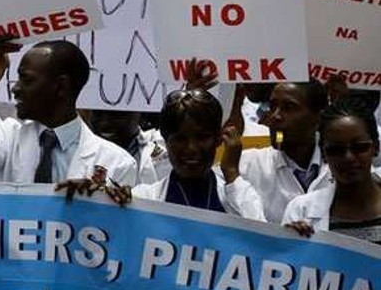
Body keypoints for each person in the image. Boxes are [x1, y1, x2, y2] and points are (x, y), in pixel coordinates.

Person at [0, 17, 137, 185]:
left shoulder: (117, 163)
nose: (15, 88)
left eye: (26, 80)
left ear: (61, 86)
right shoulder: (8, 137)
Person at [76, 90, 265, 220]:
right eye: (180, 139)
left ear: (218, 139)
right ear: (165, 141)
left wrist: (232, 173)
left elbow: (263, 245)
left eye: (201, 138)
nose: (191, 148)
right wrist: (88, 199)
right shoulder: (141, 199)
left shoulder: (238, 196)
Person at [283, 100, 381, 244]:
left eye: (359, 147)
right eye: (336, 150)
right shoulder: (301, 211)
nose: (348, 158)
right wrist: (292, 245)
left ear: (376, 148)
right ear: (324, 154)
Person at [238, 81, 331, 223]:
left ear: (317, 117)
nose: (275, 116)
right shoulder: (246, 164)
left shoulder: (340, 166)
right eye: (272, 106)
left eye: (288, 108)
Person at [89, 110, 170, 184]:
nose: (105, 121)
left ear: (142, 115)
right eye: (97, 113)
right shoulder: (81, 149)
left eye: (116, 113)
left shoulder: (166, 150)